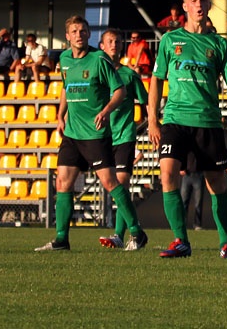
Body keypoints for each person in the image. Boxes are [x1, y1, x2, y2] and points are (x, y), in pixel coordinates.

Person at [148, 0, 227, 260]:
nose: (199, 4)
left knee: (215, 183)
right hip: (175, 120)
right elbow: (156, 81)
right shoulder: (170, 41)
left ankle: (224, 243)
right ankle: (180, 240)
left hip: (207, 122)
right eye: (193, 0)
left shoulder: (219, 44)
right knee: (168, 174)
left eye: (203, 0)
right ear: (185, 6)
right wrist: (152, 120)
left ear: (209, 6)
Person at [36, 16, 148, 252]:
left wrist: (106, 110)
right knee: (63, 182)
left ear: (89, 35)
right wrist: (60, 115)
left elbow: (119, 91)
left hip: (95, 134)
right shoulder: (64, 59)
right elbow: (66, 87)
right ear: (67, 36)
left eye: (83, 31)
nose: (79, 34)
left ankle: (137, 233)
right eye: (75, 31)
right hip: (72, 133)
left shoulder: (99, 59)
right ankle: (61, 240)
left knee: (110, 182)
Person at [97, 29, 150, 250]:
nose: (114, 44)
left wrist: (151, 124)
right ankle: (126, 233)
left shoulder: (129, 75)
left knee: (120, 183)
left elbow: (147, 102)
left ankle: (120, 235)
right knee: (113, 186)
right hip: (101, 138)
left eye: (118, 41)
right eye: (109, 41)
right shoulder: (96, 73)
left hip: (125, 136)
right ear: (101, 46)